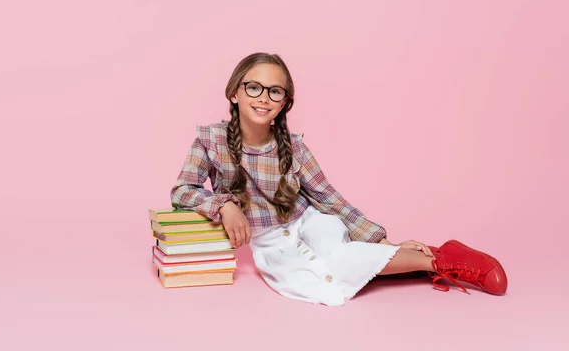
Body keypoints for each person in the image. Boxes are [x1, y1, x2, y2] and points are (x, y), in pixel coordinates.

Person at [170, 52, 508, 306]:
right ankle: (425, 261)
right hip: (270, 241)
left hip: (311, 221)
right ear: (234, 92)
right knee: (309, 282)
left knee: (337, 252)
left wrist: (381, 240)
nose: (263, 97)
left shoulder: (294, 147)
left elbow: (329, 198)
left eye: (276, 92)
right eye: (254, 87)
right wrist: (224, 206)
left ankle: (442, 259)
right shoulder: (210, 140)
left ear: (285, 103)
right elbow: (183, 190)